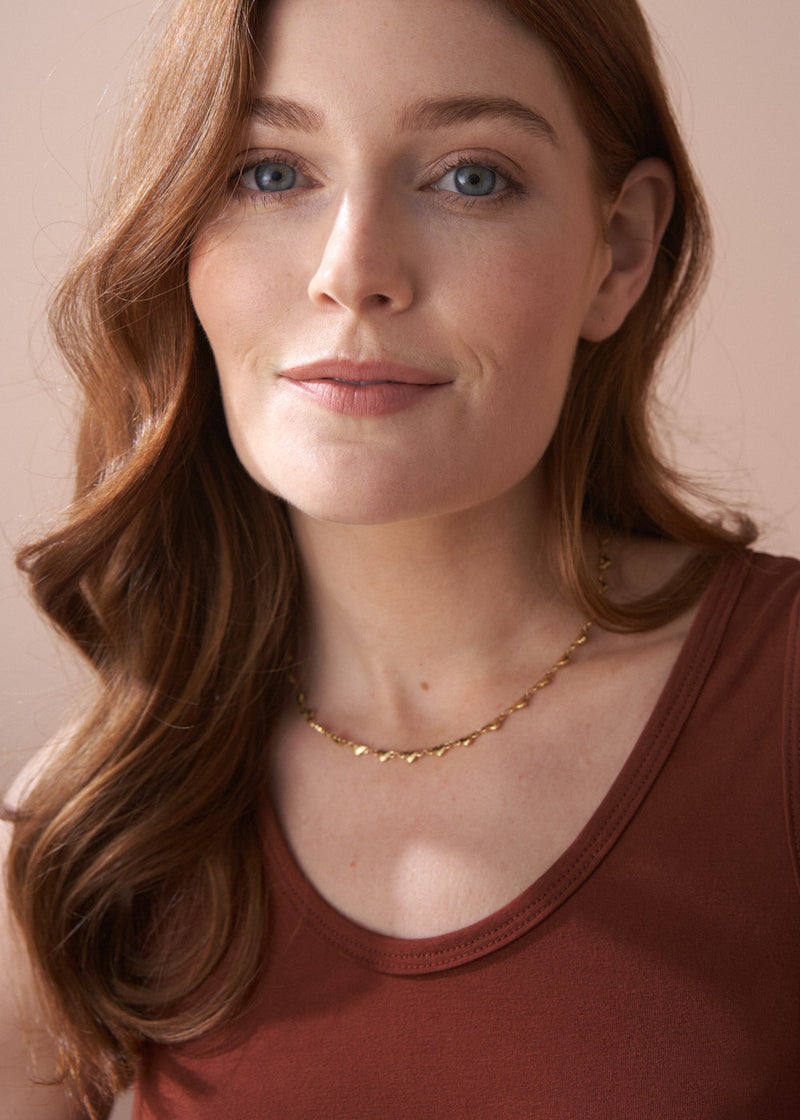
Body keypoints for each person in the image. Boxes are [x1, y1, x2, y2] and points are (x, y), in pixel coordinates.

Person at [2, 0, 798, 1115]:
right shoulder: (92, 821)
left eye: (469, 176)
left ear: (619, 250)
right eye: (270, 172)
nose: (354, 270)